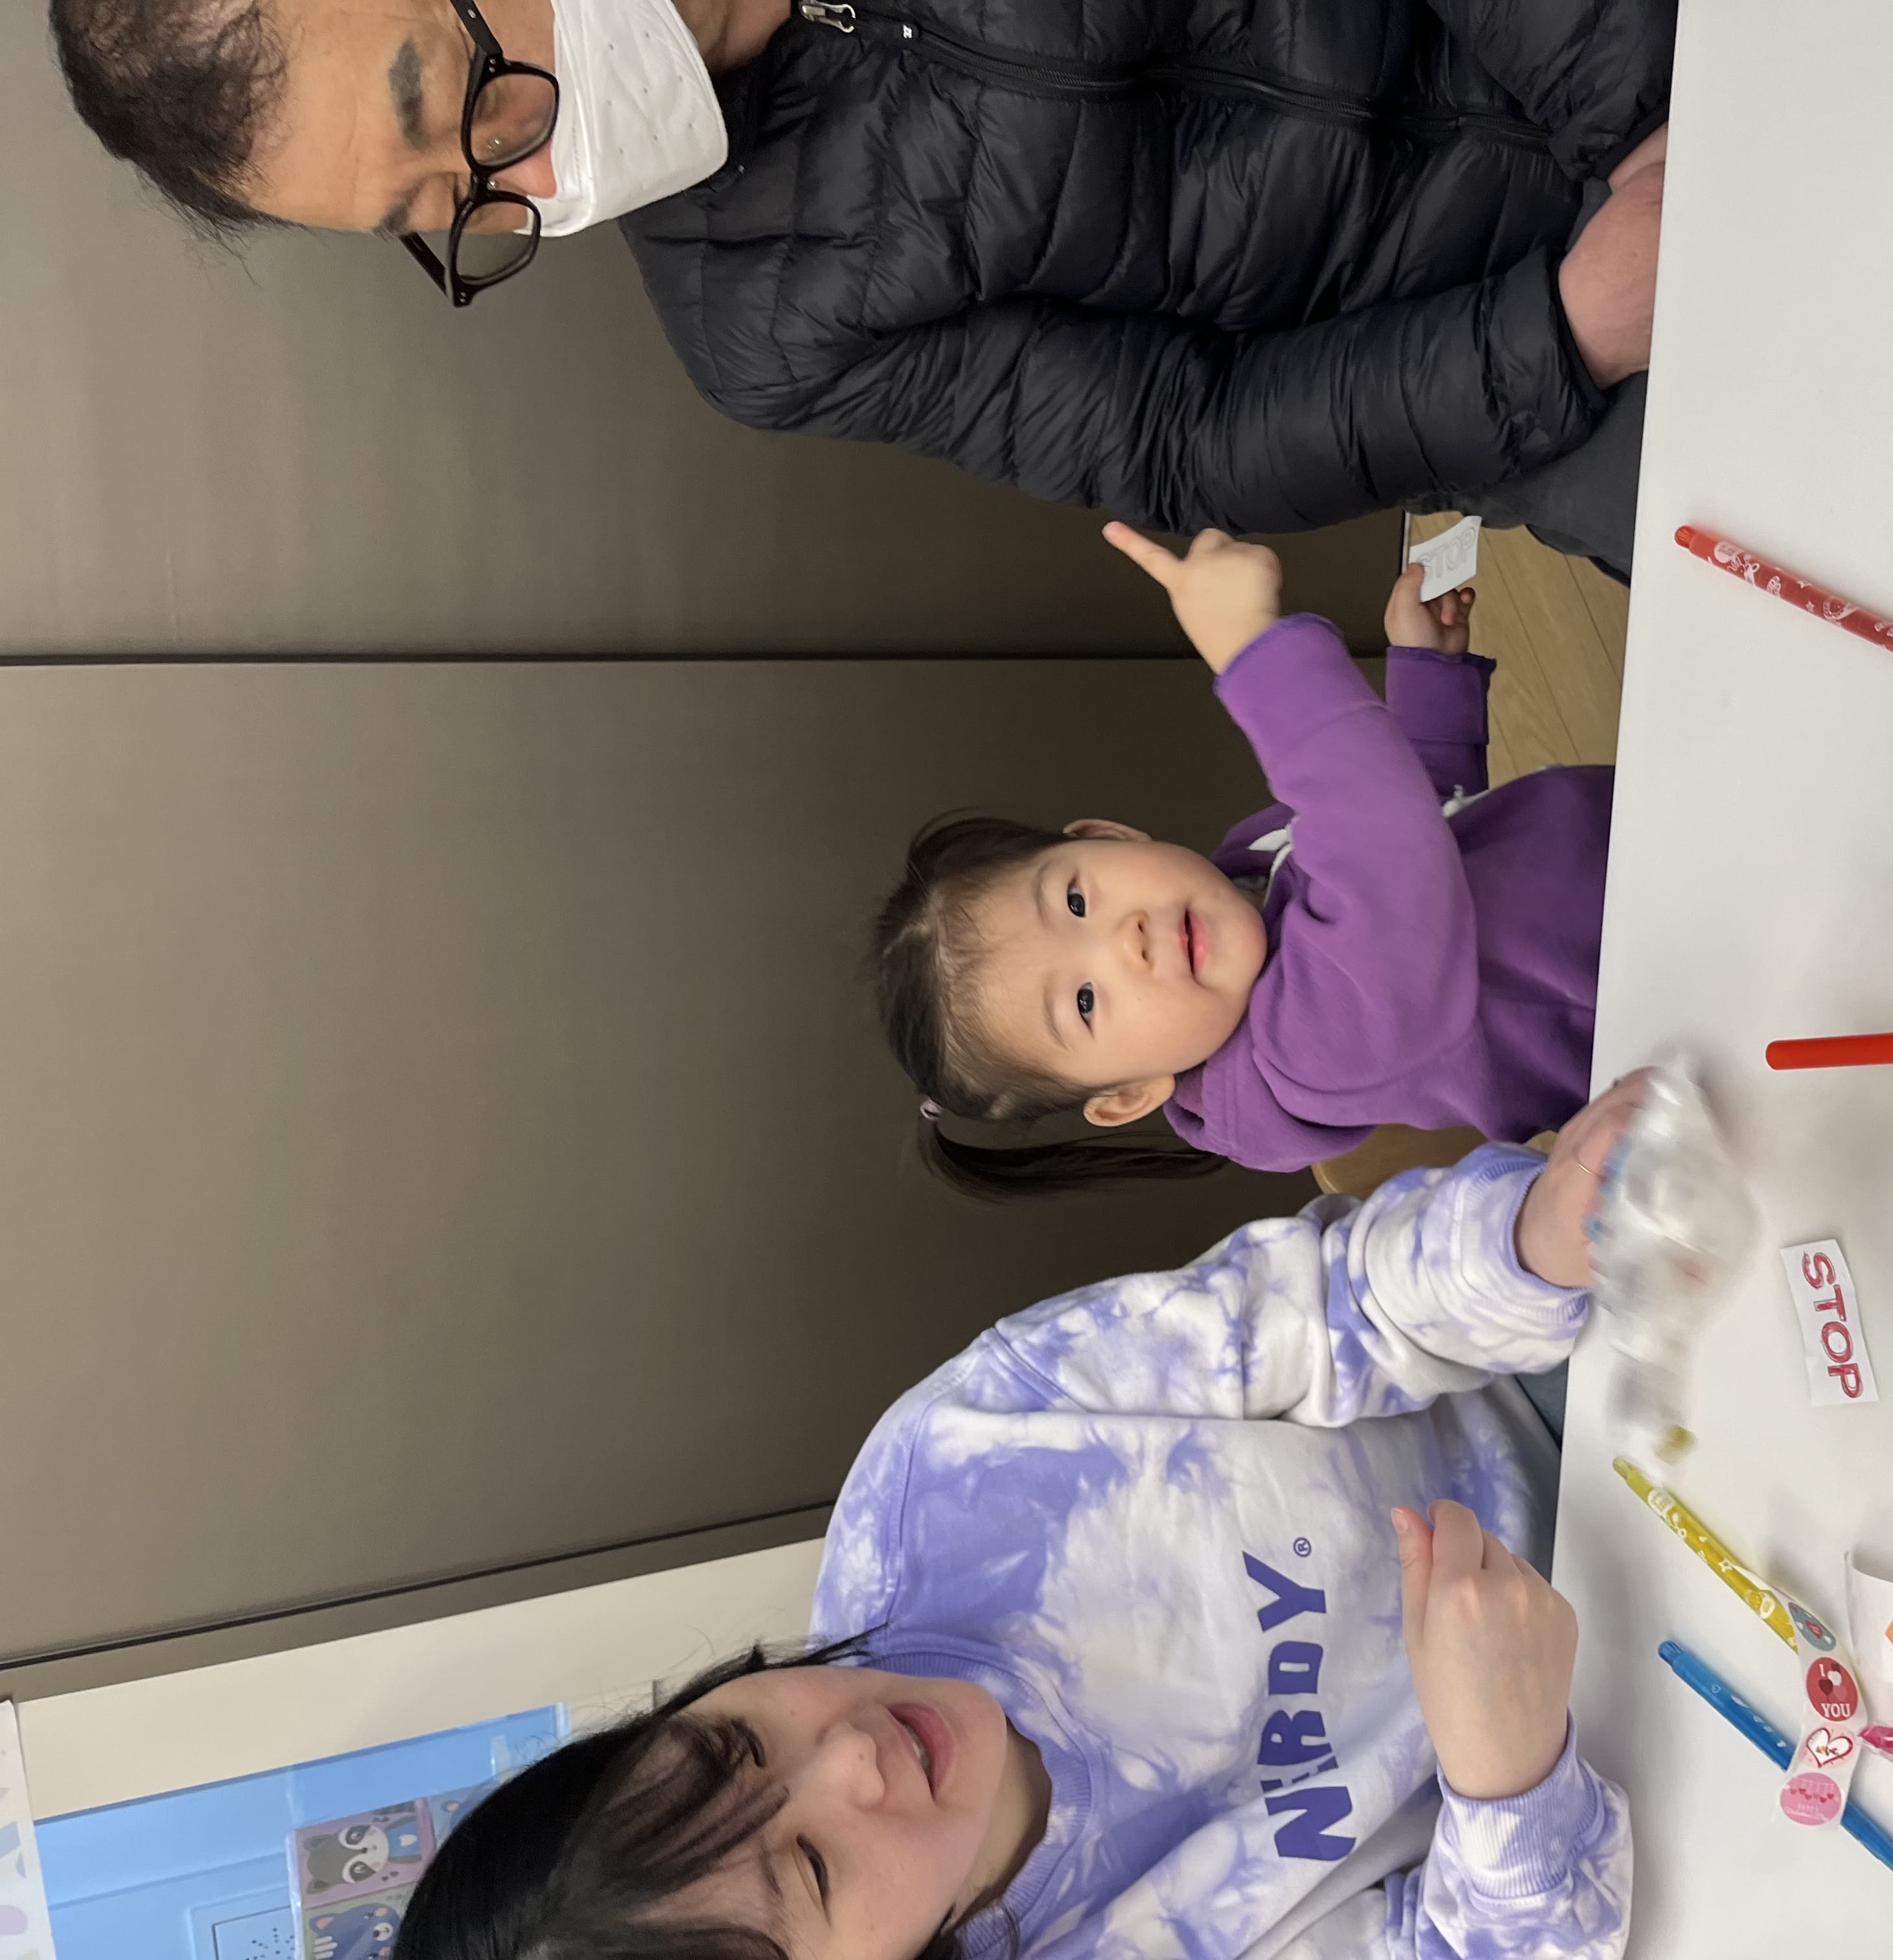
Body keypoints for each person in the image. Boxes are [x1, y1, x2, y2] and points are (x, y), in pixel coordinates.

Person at [389, 1082, 1647, 1960]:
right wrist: (1508, 1773)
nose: (850, 1755)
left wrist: (1529, 1244)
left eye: (739, 1748)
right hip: (1646, 1737)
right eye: (815, 1869)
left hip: (1578, 1382)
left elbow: (1330, 1307)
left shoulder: (948, 1469)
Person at [51, 0, 1673, 573]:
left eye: (458, 97)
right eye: (447, 209)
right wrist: (1566, 327)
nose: (526, 178)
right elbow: (1186, 437)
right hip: (1524, 363)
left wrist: (1654, 122)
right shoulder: (758, 328)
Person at [873, 525, 1610, 1195]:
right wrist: (1253, 653)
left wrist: (1429, 680)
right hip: (1646, 977)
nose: (1126, 941)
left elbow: (1420, 819)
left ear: (1110, 837)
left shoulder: (1250, 864)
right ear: (1131, 1095)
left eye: (1075, 902)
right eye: (1085, 1002)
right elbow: (1389, 860)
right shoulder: (1306, 1055)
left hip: (1628, 844)